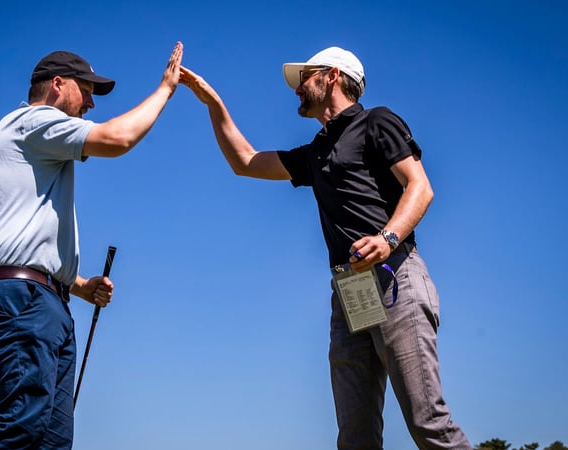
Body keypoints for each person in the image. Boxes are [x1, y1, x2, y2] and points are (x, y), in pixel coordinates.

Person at [180, 46, 471, 449]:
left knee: (427, 423)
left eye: (306, 76)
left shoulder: (376, 122)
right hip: (350, 292)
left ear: (332, 76)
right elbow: (245, 161)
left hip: (395, 278)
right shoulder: (316, 151)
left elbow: (420, 187)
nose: (298, 87)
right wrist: (213, 104)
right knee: (354, 438)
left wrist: (387, 239)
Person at [0, 42, 183, 449]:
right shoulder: (33, 122)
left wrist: (78, 285)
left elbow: (25, 233)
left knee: (51, 439)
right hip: (21, 297)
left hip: (43, 299)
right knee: (23, 422)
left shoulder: (38, 142)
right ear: (58, 85)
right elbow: (117, 139)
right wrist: (166, 89)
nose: (91, 104)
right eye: (87, 91)